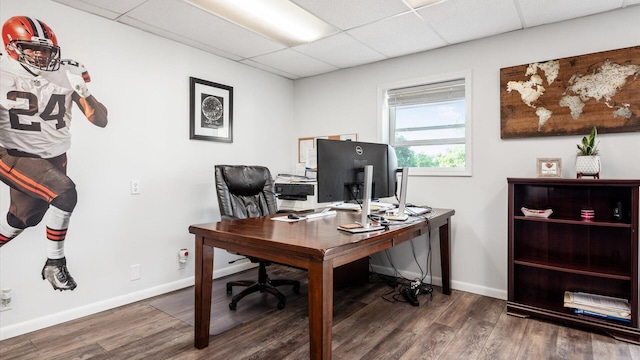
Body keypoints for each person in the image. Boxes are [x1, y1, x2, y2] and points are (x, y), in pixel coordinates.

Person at [0, 16, 108, 291]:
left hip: (54, 155)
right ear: (12, 48)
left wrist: (83, 91)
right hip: (12, 151)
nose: (40, 54)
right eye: (32, 48)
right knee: (64, 193)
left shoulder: (68, 71)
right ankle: (55, 263)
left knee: (26, 217)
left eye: (46, 49)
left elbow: (100, 119)